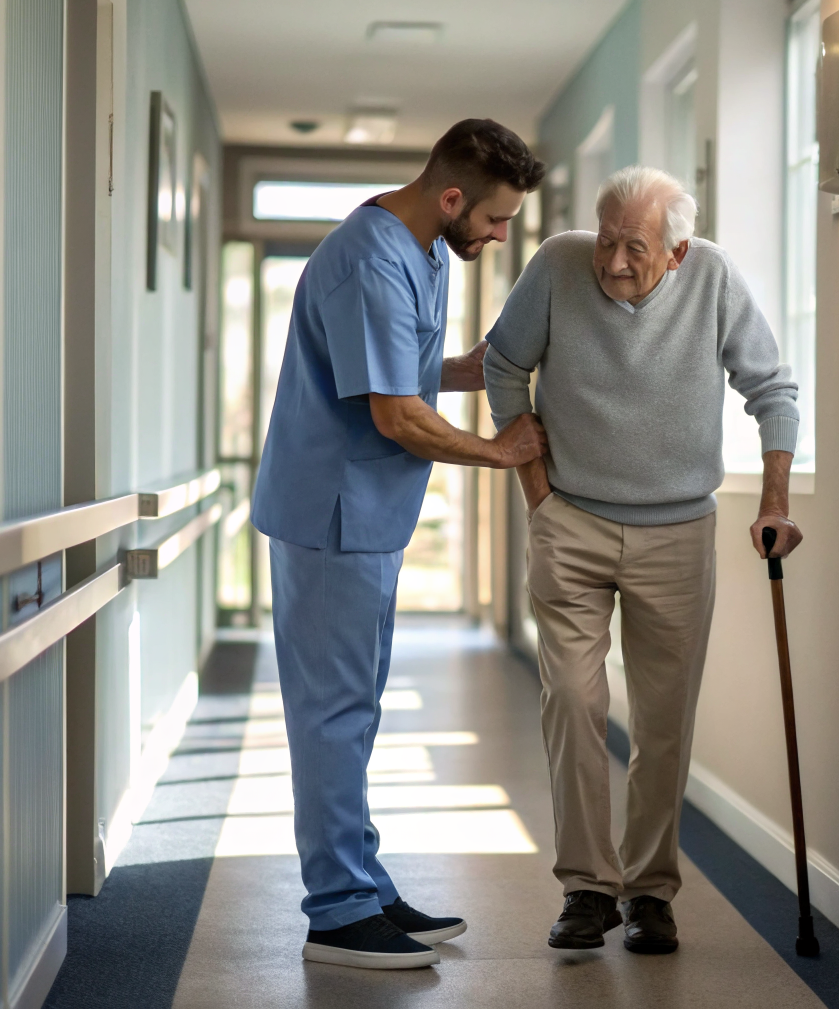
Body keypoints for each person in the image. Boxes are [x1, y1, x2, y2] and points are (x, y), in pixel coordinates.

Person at [483, 165, 804, 955]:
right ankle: (587, 888)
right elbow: (501, 363)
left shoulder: (715, 279)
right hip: (573, 521)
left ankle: (650, 892)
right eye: (606, 240)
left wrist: (774, 501)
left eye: (634, 248)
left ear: (678, 252)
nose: (613, 263)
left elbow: (771, 389)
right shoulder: (558, 265)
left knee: (663, 723)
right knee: (571, 699)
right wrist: (536, 490)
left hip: (677, 531)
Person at [250, 119, 547, 970]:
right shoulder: (370, 258)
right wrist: (499, 450)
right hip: (330, 518)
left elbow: (404, 369)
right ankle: (337, 912)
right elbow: (393, 412)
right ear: (452, 198)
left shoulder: (421, 248)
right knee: (333, 716)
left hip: (365, 519)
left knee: (357, 711)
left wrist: (475, 365)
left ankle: (365, 886)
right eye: (492, 221)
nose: (496, 236)